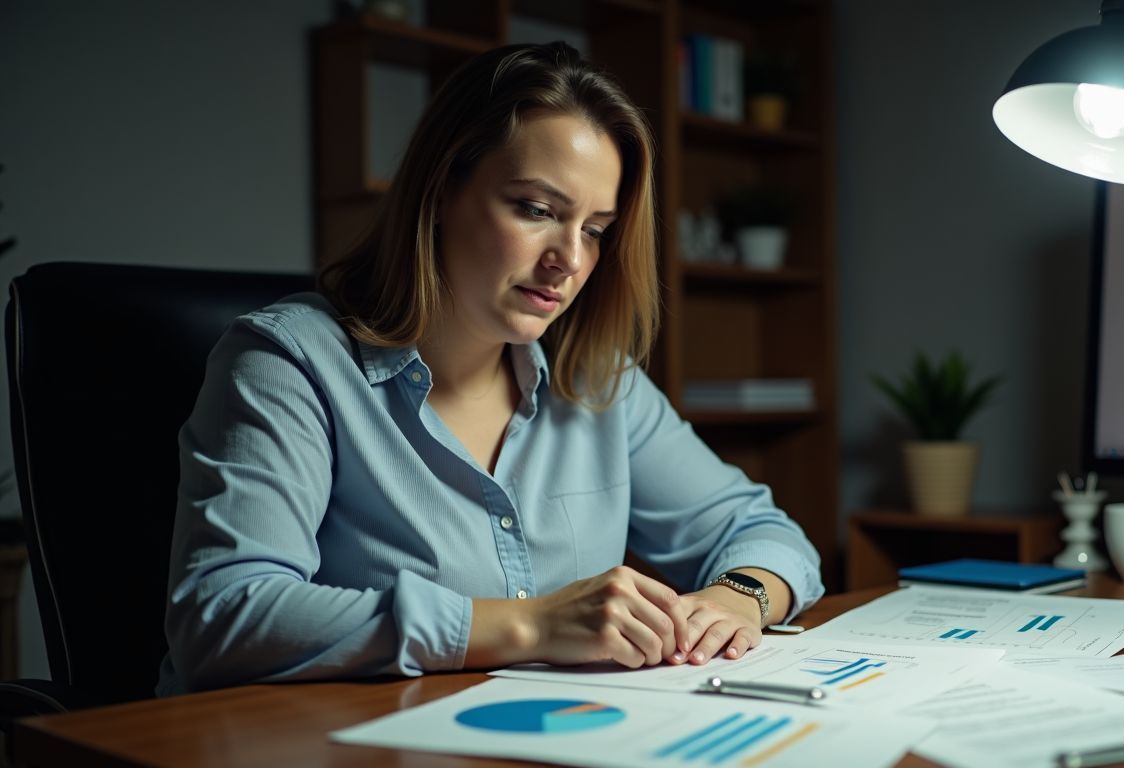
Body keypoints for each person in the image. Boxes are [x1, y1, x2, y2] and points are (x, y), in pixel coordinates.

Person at [158, 41, 823, 695]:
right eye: (537, 210)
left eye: (594, 229)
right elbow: (224, 614)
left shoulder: (596, 379)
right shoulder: (290, 363)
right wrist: (530, 625)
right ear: (441, 189)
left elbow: (762, 532)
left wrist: (740, 598)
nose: (569, 258)